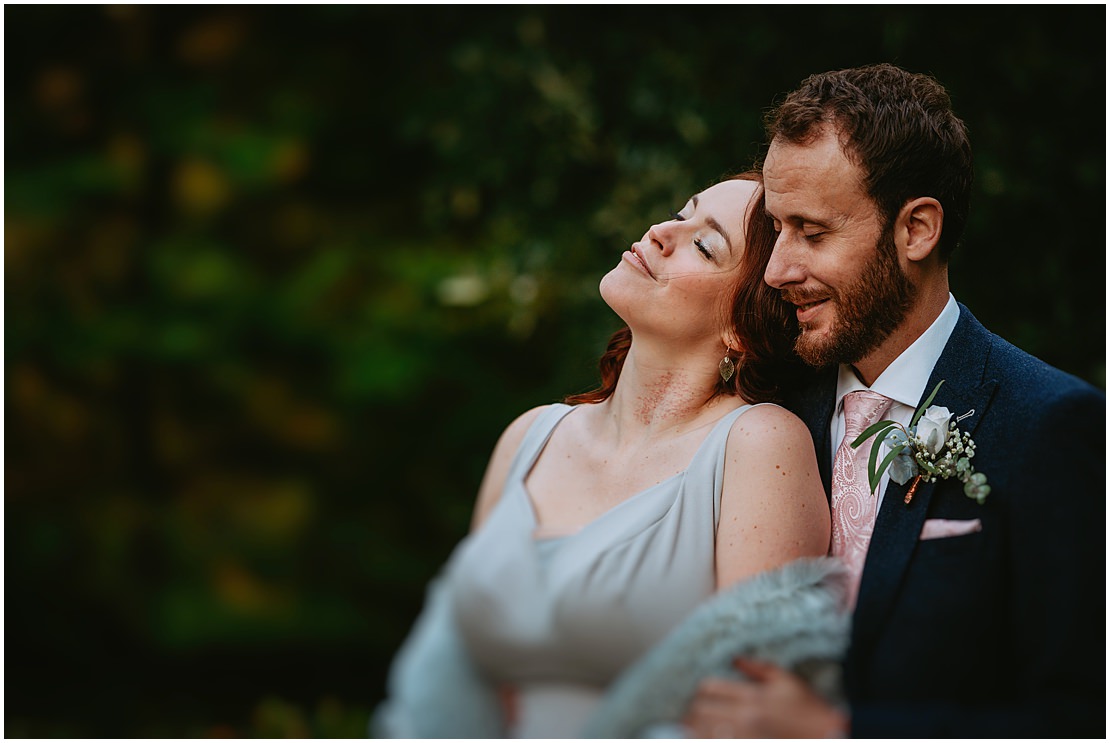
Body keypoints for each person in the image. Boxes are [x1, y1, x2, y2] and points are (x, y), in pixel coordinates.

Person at [682, 64, 1105, 738]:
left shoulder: (1049, 424)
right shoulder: (767, 402)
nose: (776, 269)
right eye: (776, 228)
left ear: (917, 230)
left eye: (812, 233)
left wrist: (844, 730)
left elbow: (1078, 717)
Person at [374, 173, 845, 738]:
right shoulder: (530, 437)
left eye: (703, 243)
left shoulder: (759, 444)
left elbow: (743, 709)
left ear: (741, 327)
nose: (661, 231)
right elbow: (449, 669)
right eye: (680, 212)